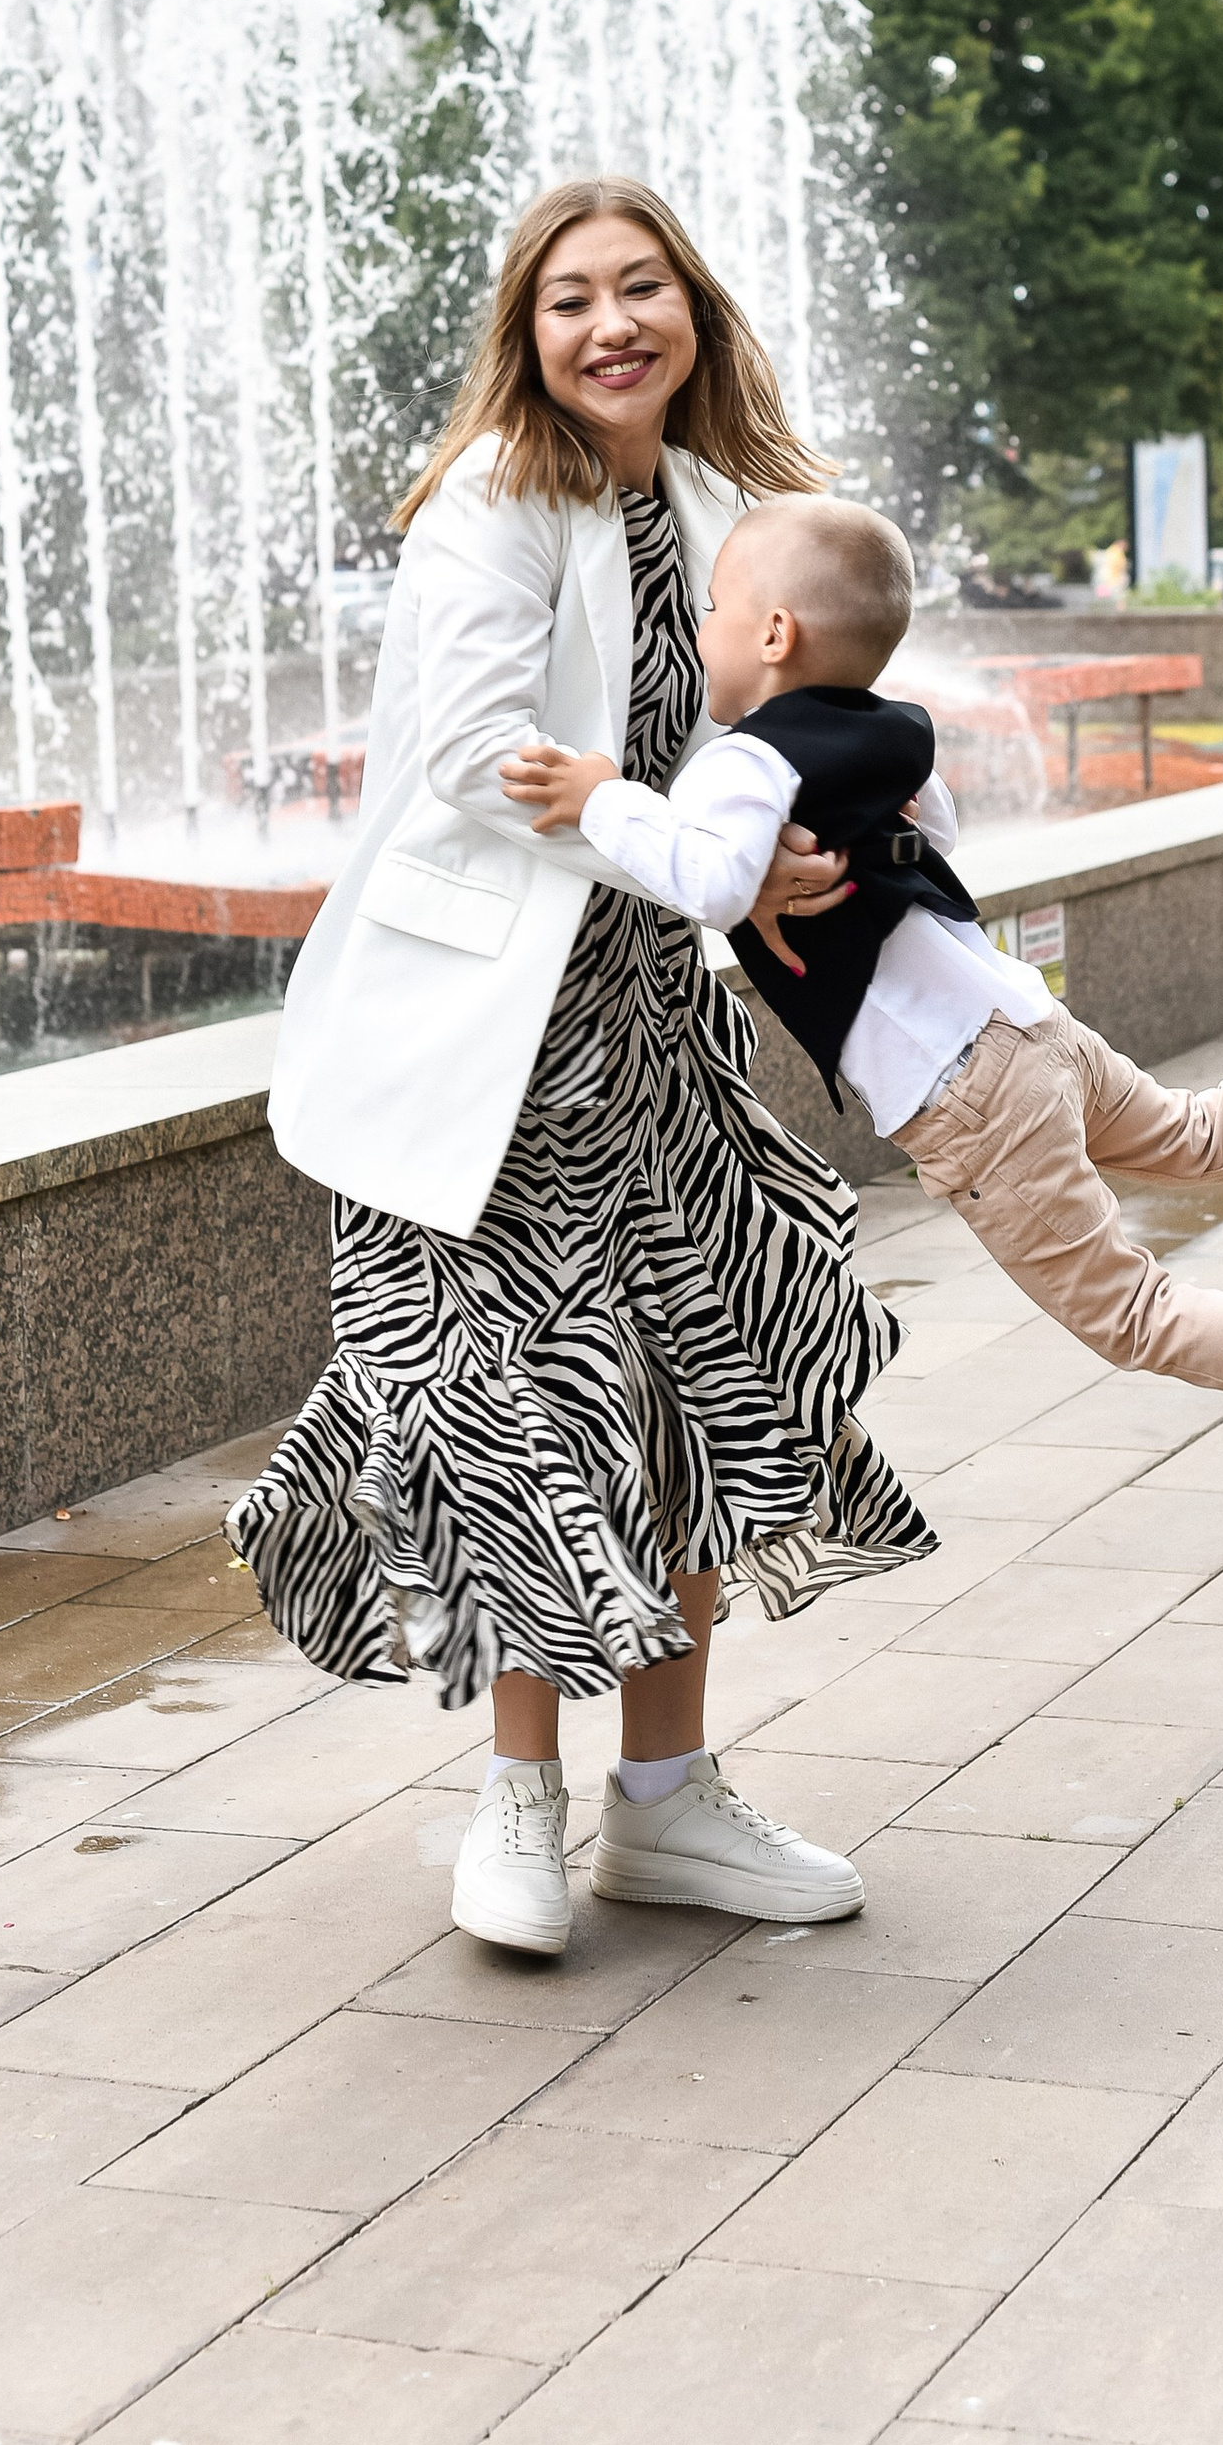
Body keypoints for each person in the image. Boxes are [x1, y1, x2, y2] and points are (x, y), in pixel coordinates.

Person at [229, 180, 930, 1960]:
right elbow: (480, 761)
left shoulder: (712, 505)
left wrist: (782, 860)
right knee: (516, 1411)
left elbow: (759, 750)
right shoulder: (498, 497)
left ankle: (671, 1802)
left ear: (691, 310)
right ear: (526, 336)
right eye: (570, 302)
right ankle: (519, 1801)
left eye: (642, 290)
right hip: (485, 1044)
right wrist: (669, 835)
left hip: (649, 1030)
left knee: (694, 1384)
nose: (611, 325)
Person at [506, 493, 1223, 1524]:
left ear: (773, 633)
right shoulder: (877, 727)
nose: (700, 628)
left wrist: (603, 795)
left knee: (1129, 1314)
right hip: (1024, 1025)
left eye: (711, 607)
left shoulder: (741, 760)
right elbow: (936, 832)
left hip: (964, 1089)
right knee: (1196, 1130)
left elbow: (719, 883)